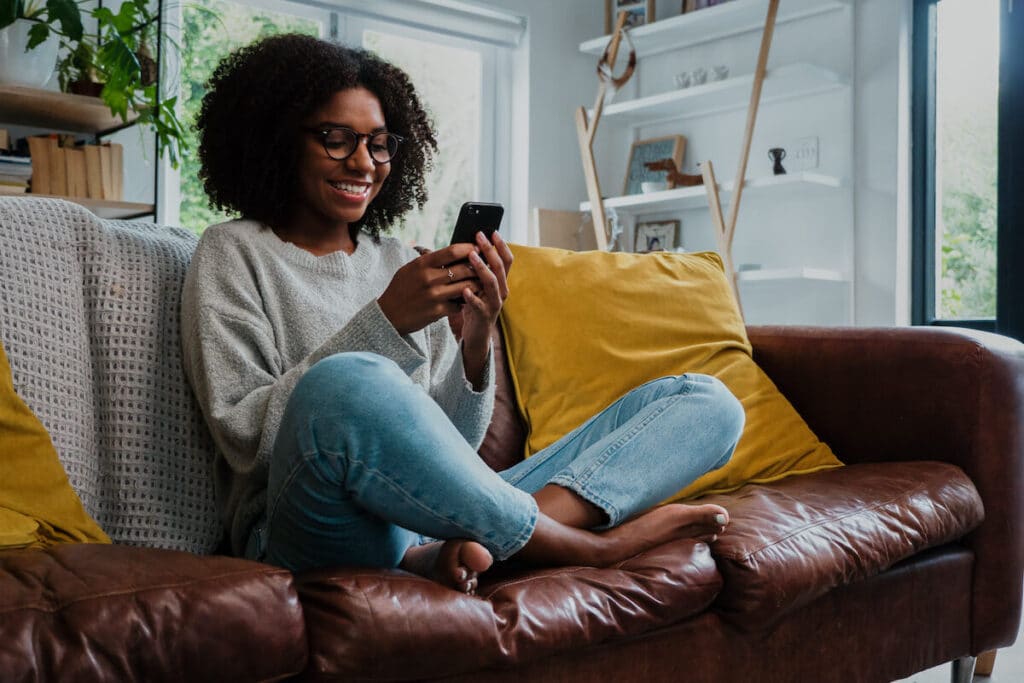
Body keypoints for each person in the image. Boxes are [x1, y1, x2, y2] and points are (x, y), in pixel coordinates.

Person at [181, 34, 745, 595]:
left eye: (380, 144)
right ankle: (577, 543)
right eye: (336, 138)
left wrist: (476, 343)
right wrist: (385, 322)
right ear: (280, 140)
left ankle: (457, 546)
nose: (362, 161)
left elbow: (452, 448)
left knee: (708, 403)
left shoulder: (400, 261)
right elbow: (247, 437)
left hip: (419, 517)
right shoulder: (233, 252)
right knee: (347, 380)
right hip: (306, 524)